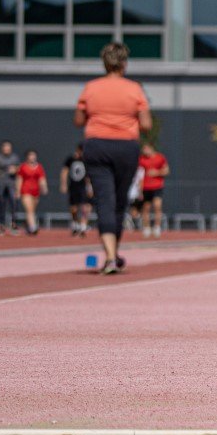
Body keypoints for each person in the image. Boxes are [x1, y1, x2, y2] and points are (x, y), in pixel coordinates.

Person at [76, 42, 152, 275]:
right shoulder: (134, 89)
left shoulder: (91, 87)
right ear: (124, 64)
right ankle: (112, 254)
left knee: (104, 200)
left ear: (105, 63)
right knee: (119, 202)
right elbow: (147, 124)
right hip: (125, 147)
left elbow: (79, 120)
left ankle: (110, 256)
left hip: (97, 146)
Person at [136, 141, 170, 238]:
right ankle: (146, 228)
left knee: (157, 206)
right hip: (146, 187)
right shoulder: (141, 160)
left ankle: (157, 227)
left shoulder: (160, 158)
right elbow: (139, 175)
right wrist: (139, 189)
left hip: (157, 187)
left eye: (146, 148)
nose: (144, 151)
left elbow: (167, 171)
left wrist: (157, 172)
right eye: (143, 149)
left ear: (151, 148)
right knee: (145, 208)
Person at [0, 140, 21, 236]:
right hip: (0, 184)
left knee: (14, 204)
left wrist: (15, 170)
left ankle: (13, 225)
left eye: (8, 147)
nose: (7, 149)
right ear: (2, 148)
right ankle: (1, 225)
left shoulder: (15, 158)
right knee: (1, 205)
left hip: (12, 184)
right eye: (5, 147)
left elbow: (20, 171)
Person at [61, 145, 92, 237]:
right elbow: (65, 171)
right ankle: (75, 223)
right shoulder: (71, 159)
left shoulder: (87, 161)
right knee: (73, 209)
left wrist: (90, 187)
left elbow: (88, 176)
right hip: (73, 187)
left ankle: (83, 226)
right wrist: (63, 184)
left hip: (83, 188)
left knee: (85, 207)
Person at [16, 150, 47, 235]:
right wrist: (18, 191)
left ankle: (28, 226)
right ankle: (33, 227)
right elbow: (19, 179)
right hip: (25, 190)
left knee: (32, 210)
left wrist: (44, 187)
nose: (32, 157)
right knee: (29, 210)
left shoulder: (39, 167)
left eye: (34, 155)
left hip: (36, 191)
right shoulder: (23, 167)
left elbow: (42, 179)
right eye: (30, 155)